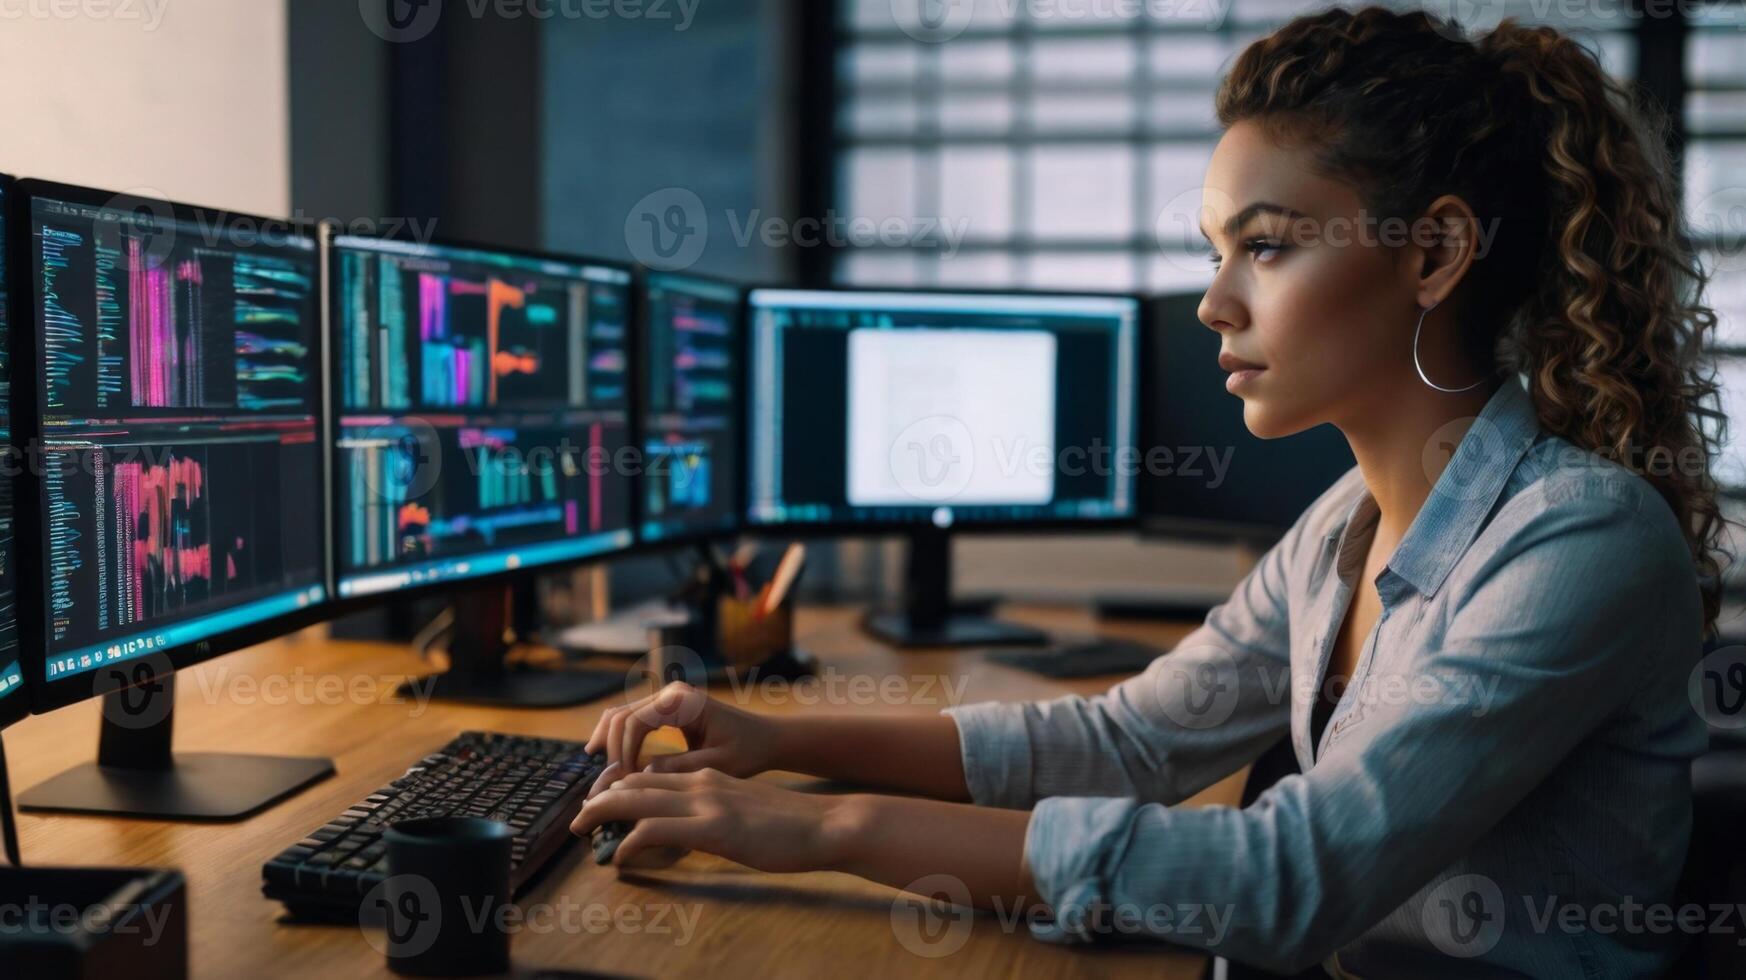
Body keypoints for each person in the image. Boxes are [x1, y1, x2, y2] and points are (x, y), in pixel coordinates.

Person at [571, 6, 1728, 975]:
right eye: (1215, 250)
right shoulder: (1345, 522)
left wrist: (823, 825)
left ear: (1432, 255)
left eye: (1265, 247)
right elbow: (1125, 739)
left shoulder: (1582, 539)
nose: (1214, 303)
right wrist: (776, 738)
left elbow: (1291, 879)